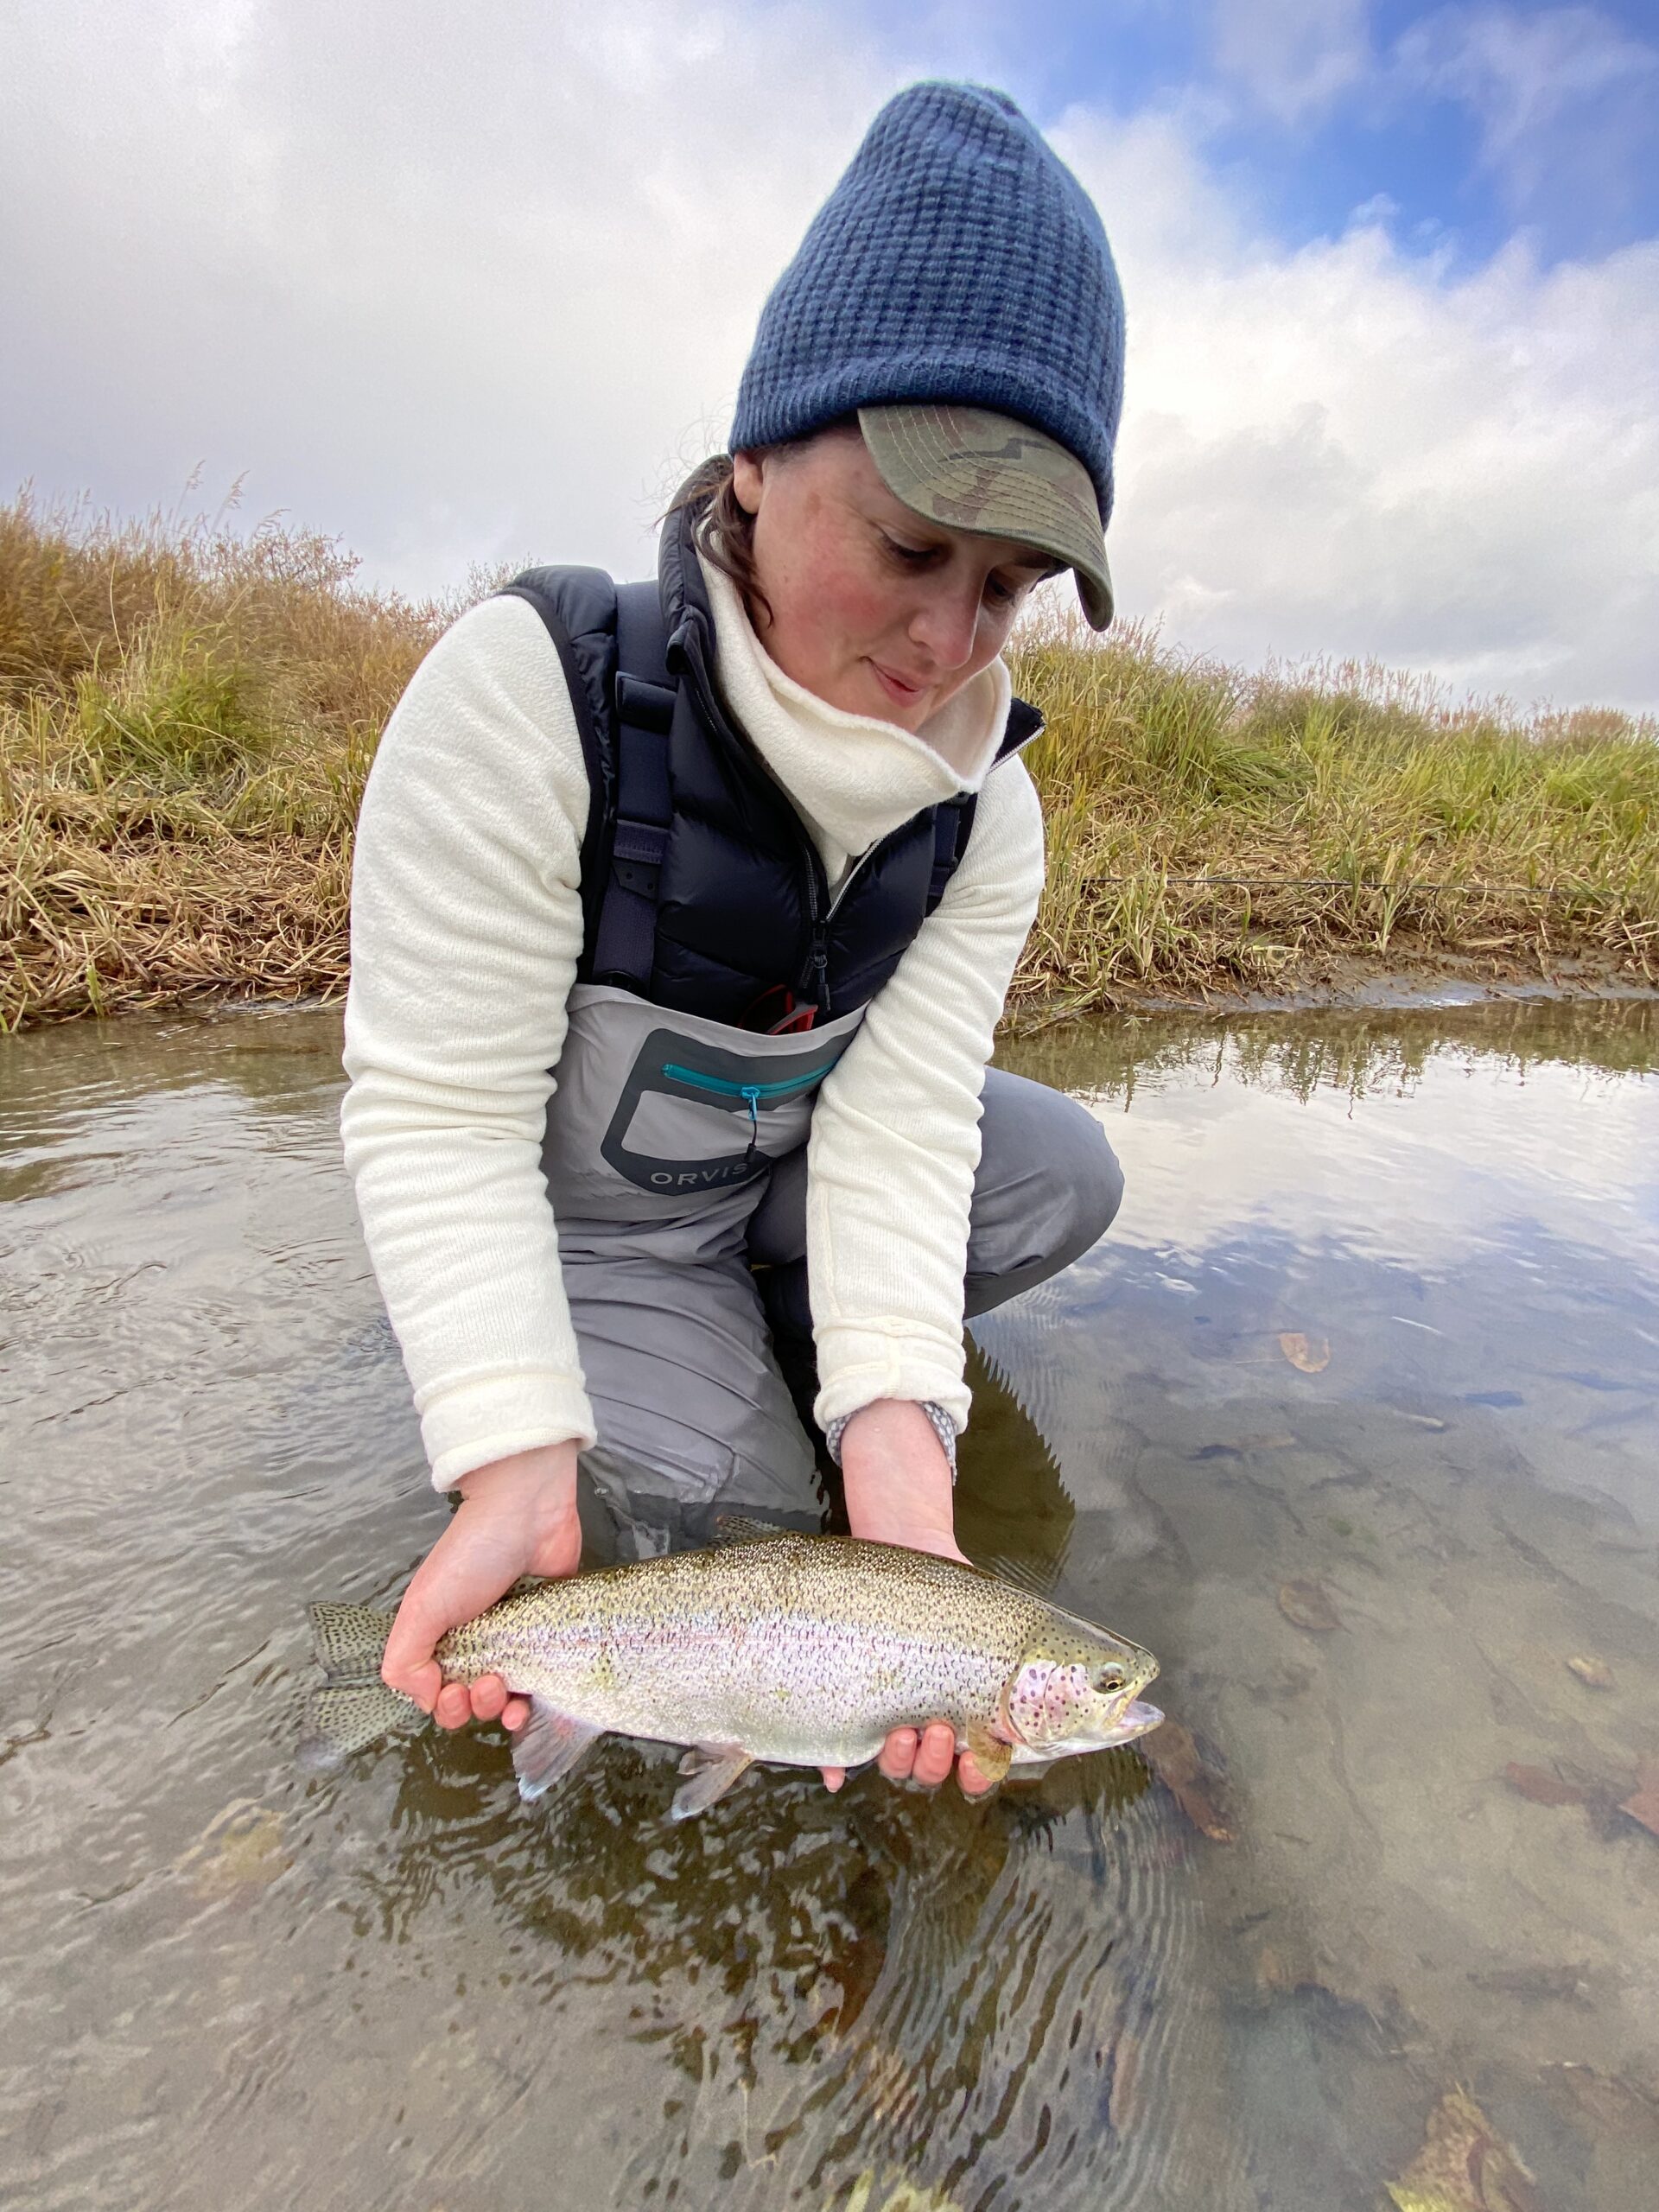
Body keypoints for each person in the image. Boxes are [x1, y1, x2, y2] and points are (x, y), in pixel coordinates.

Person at [341, 80, 1127, 1801]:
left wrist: (908, 1510)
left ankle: (818, 1354)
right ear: (758, 453)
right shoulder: (532, 695)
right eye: (915, 544)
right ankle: (613, 1370)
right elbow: (435, 1114)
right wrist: (506, 1444)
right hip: (595, 1228)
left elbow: (905, 1137)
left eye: (1004, 585)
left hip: (781, 1182)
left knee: (1058, 1168)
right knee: (757, 1521)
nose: (946, 638)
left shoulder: (987, 804)